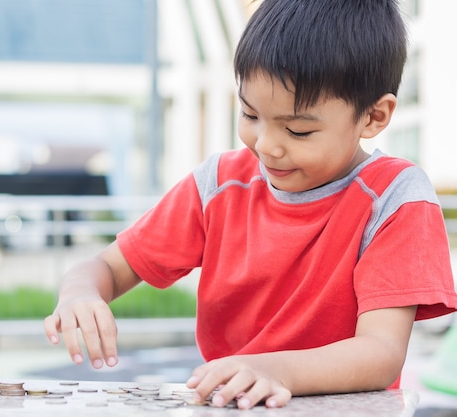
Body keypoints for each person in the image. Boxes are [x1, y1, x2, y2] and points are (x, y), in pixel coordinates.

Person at [44, 0, 457, 409]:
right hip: (235, 404)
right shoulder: (219, 185)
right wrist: (80, 293)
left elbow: (380, 353)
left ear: (374, 116)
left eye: (297, 130)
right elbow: (106, 268)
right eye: (250, 114)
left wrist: (276, 371)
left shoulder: (394, 197)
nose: (267, 146)